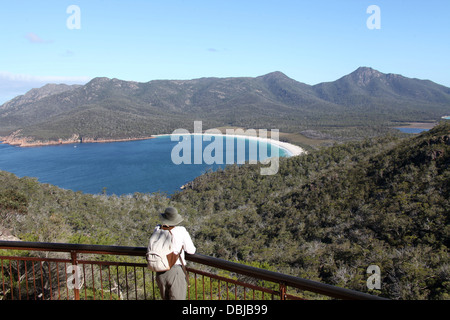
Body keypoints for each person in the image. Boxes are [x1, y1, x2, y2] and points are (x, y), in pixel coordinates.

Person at [152, 207, 196, 300]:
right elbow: (191, 250)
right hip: (175, 270)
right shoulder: (181, 231)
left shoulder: (157, 229)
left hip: (160, 270)